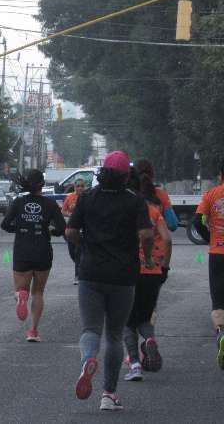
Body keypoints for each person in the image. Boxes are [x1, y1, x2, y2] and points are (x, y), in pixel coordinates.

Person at [66, 151, 154, 411]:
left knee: (90, 329)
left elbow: (70, 231)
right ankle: (109, 394)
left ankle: (88, 360)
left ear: (102, 171)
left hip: (90, 273)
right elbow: (147, 234)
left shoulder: (87, 198)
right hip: (123, 275)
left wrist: (85, 248)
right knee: (114, 335)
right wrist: (147, 257)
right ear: (127, 176)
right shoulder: (135, 201)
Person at [1, 169, 65, 342]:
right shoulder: (50, 205)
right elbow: (61, 228)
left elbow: (5, 224)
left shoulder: (18, 202)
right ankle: (33, 331)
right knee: (38, 292)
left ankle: (21, 296)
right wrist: (49, 230)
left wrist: (21, 227)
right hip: (42, 250)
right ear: (42, 185)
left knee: (21, 288)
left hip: (23, 250)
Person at [123, 167, 172, 381]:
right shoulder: (152, 210)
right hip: (153, 271)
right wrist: (165, 267)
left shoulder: (125, 211)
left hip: (129, 272)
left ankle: (134, 364)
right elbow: (168, 239)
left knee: (126, 321)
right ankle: (149, 340)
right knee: (144, 315)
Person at [193, 159, 224, 369]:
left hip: (217, 253)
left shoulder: (211, 195)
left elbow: (197, 221)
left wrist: (208, 237)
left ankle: (221, 333)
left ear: (221, 174)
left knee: (218, 302)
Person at [62, 178, 86, 285]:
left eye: (82, 186)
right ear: (74, 187)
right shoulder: (70, 197)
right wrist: (70, 214)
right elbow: (63, 211)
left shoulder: (87, 197)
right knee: (72, 252)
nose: (80, 188)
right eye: (78, 186)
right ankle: (80, 266)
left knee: (78, 252)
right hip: (71, 229)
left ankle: (78, 275)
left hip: (83, 230)